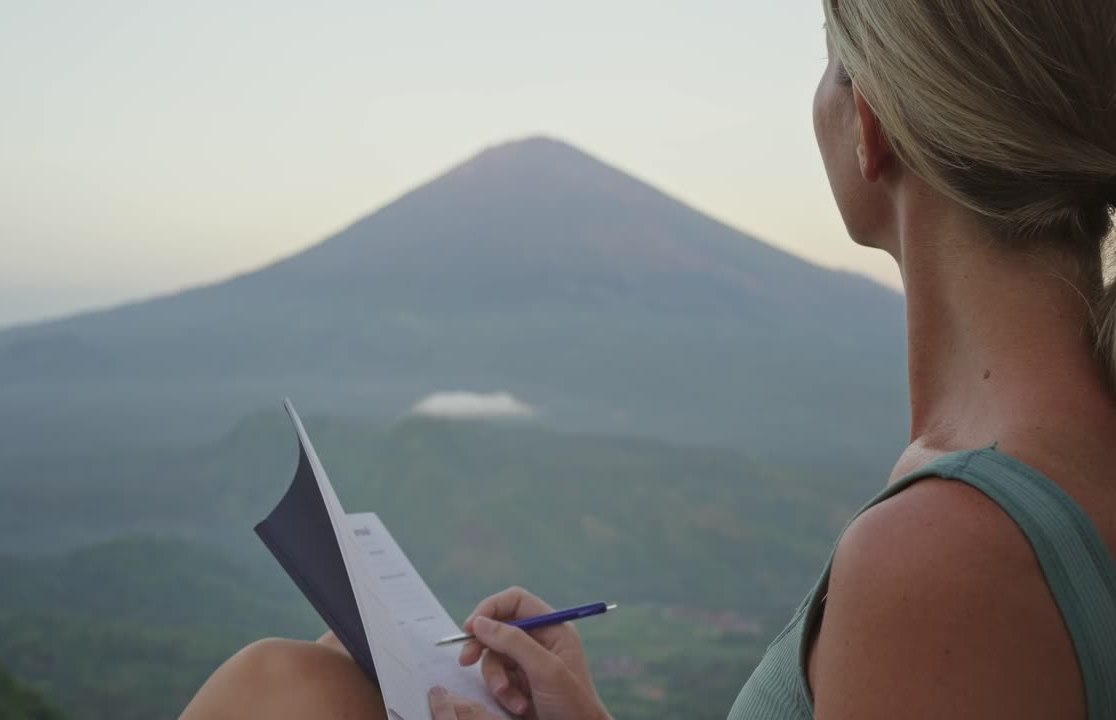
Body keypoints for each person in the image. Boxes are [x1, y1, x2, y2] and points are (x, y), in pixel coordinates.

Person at [182, 0, 1116, 717]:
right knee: (309, 672)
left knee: (283, 688)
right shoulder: (1032, 465)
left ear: (869, 127)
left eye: (831, 65)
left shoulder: (948, 554)